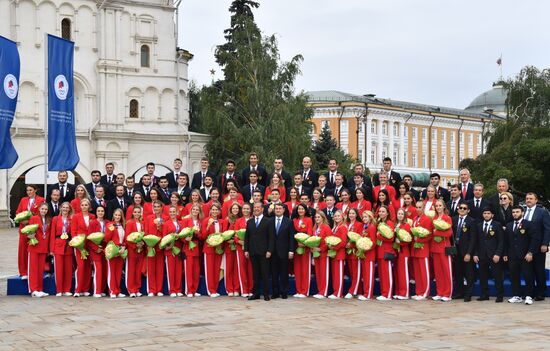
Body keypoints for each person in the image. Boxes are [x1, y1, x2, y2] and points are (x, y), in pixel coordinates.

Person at [504, 205, 538, 305]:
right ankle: (517, 295)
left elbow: (534, 240)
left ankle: (529, 296)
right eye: (513, 212)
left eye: (517, 212)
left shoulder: (529, 224)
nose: (515, 214)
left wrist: (530, 252)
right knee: (514, 276)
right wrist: (506, 254)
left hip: (525, 256)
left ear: (522, 213)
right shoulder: (509, 225)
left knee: (528, 276)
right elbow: (506, 241)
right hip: (512, 256)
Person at [523, 192, 550, 301]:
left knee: (539, 270)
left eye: (531, 198)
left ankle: (541, 292)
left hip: (539, 246)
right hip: (526, 246)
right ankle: (530, 292)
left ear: (536, 200)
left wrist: (545, 243)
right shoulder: (523, 212)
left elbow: (547, 229)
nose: (528, 200)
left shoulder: (542, 212)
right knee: (528, 271)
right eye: (527, 198)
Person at [474, 207, 504, 302]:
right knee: (483, 276)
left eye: (488, 213)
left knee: (497, 276)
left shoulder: (497, 225)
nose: (486, 215)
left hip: (494, 255)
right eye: (485, 213)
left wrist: (498, 254)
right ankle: (484, 294)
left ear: (492, 215)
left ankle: (500, 295)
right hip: (482, 255)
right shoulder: (478, 225)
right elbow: (476, 241)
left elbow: (501, 241)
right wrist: (475, 254)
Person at [244, 202, 273, 301]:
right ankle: (255, 293)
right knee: (255, 274)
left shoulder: (268, 221)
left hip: (264, 252)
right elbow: (246, 237)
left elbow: (271, 238)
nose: (256, 209)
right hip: (252, 251)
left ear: (262, 209)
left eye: (258, 207)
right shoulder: (250, 222)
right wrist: (246, 250)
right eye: (255, 207)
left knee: (265, 274)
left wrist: (269, 250)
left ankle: (265, 294)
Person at [15, 184, 44, 278]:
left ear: (35, 190)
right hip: (24, 229)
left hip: (35, 229)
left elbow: (42, 213)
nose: (29, 192)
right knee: (23, 250)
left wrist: (30, 220)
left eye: (31, 190)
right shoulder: (23, 200)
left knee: (34, 250)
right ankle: (23, 272)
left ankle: (33, 270)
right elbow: (17, 212)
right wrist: (22, 219)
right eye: (27, 190)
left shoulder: (41, 200)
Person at [200, 203, 227, 297]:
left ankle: (214, 289)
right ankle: (210, 290)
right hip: (209, 249)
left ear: (219, 211)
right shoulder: (206, 220)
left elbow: (223, 235)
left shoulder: (222, 222)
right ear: (210, 211)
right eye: (213, 210)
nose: (215, 211)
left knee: (216, 270)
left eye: (216, 210)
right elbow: (203, 236)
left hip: (218, 249)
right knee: (209, 270)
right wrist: (208, 226)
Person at [452, 202, 477, 302]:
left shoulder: (472, 221)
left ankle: (468, 294)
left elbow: (473, 239)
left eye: (464, 208)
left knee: (468, 274)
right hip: (456, 251)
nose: (462, 209)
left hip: (466, 251)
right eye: (460, 208)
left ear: (468, 210)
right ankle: (459, 293)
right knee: (458, 273)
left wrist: (469, 253)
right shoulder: (453, 219)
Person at [269, 203, 295, 299]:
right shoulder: (270, 221)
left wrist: (291, 250)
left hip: (284, 251)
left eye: (280, 209)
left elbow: (291, 237)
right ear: (274, 210)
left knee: (284, 273)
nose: (278, 210)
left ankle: (284, 292)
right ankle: (275, 292)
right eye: (276, 209)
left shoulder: (288, 222)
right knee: (274, 273)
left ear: (284, 210)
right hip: (273, 251)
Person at [71, 198, 95, 297]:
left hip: (90, 244)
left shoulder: (92, 216)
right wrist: (77, 242)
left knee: (88, 267)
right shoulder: (76, 217)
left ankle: (85, 289)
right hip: (80, 245)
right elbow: (73, 231)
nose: (84, 207)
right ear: (80, 206)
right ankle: (78, 289)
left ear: (89, 206)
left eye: (86, 205)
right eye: (83, 205)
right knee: (80, 267)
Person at [431, 199, 453, 302]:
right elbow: (432, 232)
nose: (438, 207)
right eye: (437, 206)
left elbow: (448, 234)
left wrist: (437, 232)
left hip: (444, 247)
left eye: (440, 205)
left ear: (444, 207)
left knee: (446, 271)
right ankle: (439, 292)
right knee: (438, 272)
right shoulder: (434, 218)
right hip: (435, 247)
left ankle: (447, 293)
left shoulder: (447, 218)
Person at [49, 202, 73, 296]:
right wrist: (51, 249)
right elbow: (52, 234)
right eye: (64, 207)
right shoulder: (55, 219)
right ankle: (59, 290)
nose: (65, 209)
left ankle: (67, 289)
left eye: (67, 208)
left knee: (68, 269)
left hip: (68, 245)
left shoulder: (71, 219)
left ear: (69, 209)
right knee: (59, 269)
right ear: (60, 208)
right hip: (58, 244)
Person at [411, 200, 433, 300]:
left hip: (423, 249)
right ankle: (418, 292)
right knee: (417, 272)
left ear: (424, 208)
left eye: (420, 207)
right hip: (415, 249)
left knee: (424, 272)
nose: (418, 209)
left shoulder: (427, 219)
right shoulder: (415, 218)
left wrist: (419, 239)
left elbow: (429, 235)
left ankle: (425, 292)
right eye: (417, 207)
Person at [27, 203, 51, 298]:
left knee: (40, 270)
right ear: (39, 209)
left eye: (45, 209)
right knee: (33, 269)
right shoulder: (34, 218)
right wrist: (29, 235)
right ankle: (33, 289)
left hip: (43, 248)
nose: (44, 211)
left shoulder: (49, 220)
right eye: (42, 209)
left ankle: (40, 289)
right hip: (34, 246)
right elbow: (28, 231)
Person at [144, 201, 166, 296]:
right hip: (151, 246)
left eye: (158, 207)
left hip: (160, 246)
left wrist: (160, 228)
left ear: (161, 208)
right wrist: (148, 244)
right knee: (151, 268)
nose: (156, 208)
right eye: (155, 207)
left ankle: (159, 289)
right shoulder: (149, 218)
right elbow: (146, 231)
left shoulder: (165, 218)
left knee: (160, 269)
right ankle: (152, 290)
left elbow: (166, 232)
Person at [181, 203, 202, 297]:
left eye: (197, 210)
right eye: (194, 209)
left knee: (196, 270)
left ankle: (194, 290)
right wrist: (185, 240)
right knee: (188, 270)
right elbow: (181, 234)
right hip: (188, 248)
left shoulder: (200, 222)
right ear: (191, 210)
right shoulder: (186, 220)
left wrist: (197, 234)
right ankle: (188, 290)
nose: (195, 211)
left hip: (196, 248)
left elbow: (202, 236)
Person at [104, 209, 127, 298]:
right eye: (116, 215)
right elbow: (106, 239)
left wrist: (124, 247)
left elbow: (124, 239)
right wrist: (110, 230)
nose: (117, 217)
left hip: (120, 250)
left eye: (119, 215)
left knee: (118, 272)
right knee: (111, 271)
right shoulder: (109, 225)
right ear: (113, 215)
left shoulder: (122, 226)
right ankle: (112, 291)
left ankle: (117, 290)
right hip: (112, 250)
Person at [162, 206, 184, 297]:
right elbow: (164, 237)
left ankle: (178, 289)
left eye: (174, 211)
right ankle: (172, 290)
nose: (172, 213)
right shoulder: (166, 224)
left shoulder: (180, 223)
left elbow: (183, 235)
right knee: (171, 270)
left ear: (177, 212)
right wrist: (168, 245)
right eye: (170, 212)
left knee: (178, 270)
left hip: (179, 249)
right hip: (170, 249)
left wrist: (180, 237)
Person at [124, 206, 146, 297]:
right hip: (132, 250)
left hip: (140, 250)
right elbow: (127, 237)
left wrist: (142, 244)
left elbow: (144, 235)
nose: (137, 214)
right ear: (132, 213)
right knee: (131, 270)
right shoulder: (129, 223)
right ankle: (131, 289)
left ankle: (137, 289)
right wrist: (134, 245)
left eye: (138, 212)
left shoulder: (142, 223)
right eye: (135, 212)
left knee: (138, 270)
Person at [375, 205, 395, 301]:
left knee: (387, 273)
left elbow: (390, 238)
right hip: (380, 250)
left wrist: (379, 236)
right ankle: (384, 292)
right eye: (380, 211)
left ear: (387, 213)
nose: (381, 213)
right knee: (382, 273)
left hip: (386, 250)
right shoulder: (379, 222)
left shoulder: (389, 223)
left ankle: (388, 293)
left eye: (383, 211)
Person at [234, 202, 254, 298]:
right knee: (242, 269)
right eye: (244, 209)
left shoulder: (254, 220)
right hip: (240, 248)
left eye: (247, 209)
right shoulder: (238, 221)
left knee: (251, 269)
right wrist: (240, 241)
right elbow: (235, 235)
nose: (245, 210)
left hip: (252, 248)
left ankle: (251, 289)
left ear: (250, 210)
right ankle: (244, 290)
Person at [327, 210, 347, 299]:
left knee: (338, 274)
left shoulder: (343, 227)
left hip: (339, 254)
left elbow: (343, 242)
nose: (337, 217)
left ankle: (338, 293)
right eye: (335, 216)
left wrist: (333, 248)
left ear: (342, 216)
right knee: (335, 274)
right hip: (334, 253)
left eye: (339, 216)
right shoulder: (335, 227)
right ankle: (335, 292)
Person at [292, 204, 312, 298]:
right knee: (297, 270)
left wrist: (304, 243)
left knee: (305, 270)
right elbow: (292, 233)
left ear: (305, 210)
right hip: (296, 247)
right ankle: (298, 290)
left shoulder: (308, 220)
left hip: (305, 248)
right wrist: (297, 243)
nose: (300, 210)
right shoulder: (294, 220)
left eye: (302, 209)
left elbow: (310, 233)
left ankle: (304, 291)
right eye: (299, 209)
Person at [344, 208, 363, 299]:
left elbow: (359, 238)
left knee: (356, 272)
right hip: (348, 252)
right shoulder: (346, 224)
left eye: (353, 213)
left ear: (356, 215)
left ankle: (352, 291)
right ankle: (358, 291)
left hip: (355, 251)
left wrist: (351, 244)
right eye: (350, 213)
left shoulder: (359, 224)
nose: (351, 215)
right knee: (352, 273)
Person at [393, 208, 412, 300]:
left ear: (404, 215)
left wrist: (399, 242)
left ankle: (404, 293)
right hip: (396, 252)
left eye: (401, 214)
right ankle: (398, 292)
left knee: (403, 273)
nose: (400, 215)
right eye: (398, 213)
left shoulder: (406, 225)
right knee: (397, 273)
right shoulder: (396, 224)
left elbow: (408, 240)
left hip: (404, 252)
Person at [312, 211, 331, 299]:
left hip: (323, 254)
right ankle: (320, 291)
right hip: (316, 254)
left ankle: (324, 291)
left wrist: (321, 249)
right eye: (316, 217)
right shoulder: (314, 228)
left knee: (324, 273)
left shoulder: (326, 227)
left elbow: (329, 241)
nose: (317, 219)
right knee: (318, 273)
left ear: (323, 218)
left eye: (319, 217)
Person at [359, 211, 377, 301]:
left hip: (369, 254)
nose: (364, 218)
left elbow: (373, 242)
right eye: (363, 217)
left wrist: (366, 247)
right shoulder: (364, 227)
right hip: (364, 254)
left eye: (366, 217)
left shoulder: (372, 227)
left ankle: (368, 294)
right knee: (365, 275)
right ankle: (365, 292)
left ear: (370, 217)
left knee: (369, 275)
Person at [225, 203, 242, 297]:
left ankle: (237, 288)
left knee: (237, 269)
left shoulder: (241, 220)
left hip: (238, 246)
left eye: (237, 208)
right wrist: (228, 240)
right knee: (229, 269)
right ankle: (229, 288)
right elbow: (223, 232)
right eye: (233, 208)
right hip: (229, 247)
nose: (235, 210)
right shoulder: (227, 220)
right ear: (230, 210)